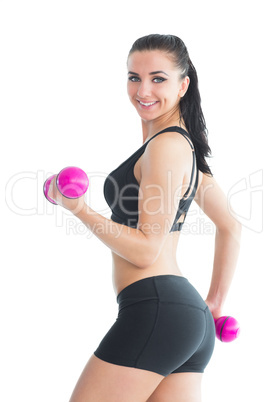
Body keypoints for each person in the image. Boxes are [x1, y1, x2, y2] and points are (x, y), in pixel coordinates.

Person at [49, 34, 242, 402]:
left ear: (183, 84)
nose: (143, 89)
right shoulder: (183, 147)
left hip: (157, 310)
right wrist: (213, 306)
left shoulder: (167, 146)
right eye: (133, 77)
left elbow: (145, 251)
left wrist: (77, 207)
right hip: (185, 320)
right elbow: (231, 226)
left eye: (158, 78)